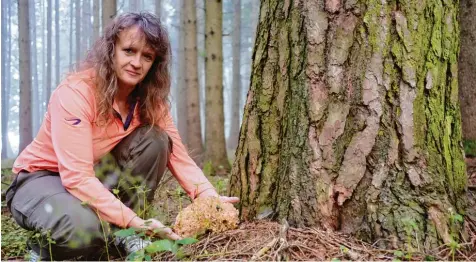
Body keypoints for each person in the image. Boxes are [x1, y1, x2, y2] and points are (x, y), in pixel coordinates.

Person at [5, 12, 238, 261]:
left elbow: (179, 157)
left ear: (154, 64)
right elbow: (76, 177)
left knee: (156, 140)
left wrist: (209, 199)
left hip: (94, 175)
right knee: (83, 229)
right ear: (111, 50)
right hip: (42, 178)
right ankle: (45, 246)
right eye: (129, 51)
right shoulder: (76, 93)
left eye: (147, 56)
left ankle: (122, 235)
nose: (136, 63)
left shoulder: (151, 101)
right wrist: (135, 221)